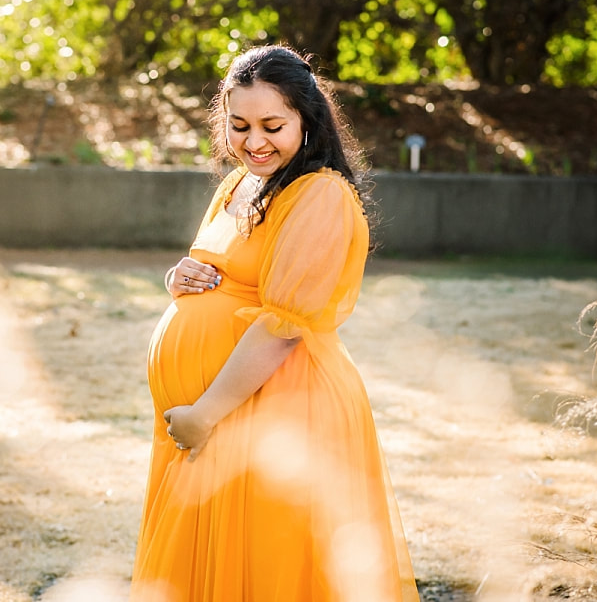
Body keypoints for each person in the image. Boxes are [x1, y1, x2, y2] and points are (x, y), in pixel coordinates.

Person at [131, 44, 420, 602]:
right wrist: (181, 279)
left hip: (268, 410)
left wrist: (205, 413)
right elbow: (229, 272)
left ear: (306, 122)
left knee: (267, 574)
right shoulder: (238, 185)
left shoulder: (319, 194)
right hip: (214, 418)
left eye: (272, 125)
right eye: (239, 125)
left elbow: (285, 324)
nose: (253, 141)